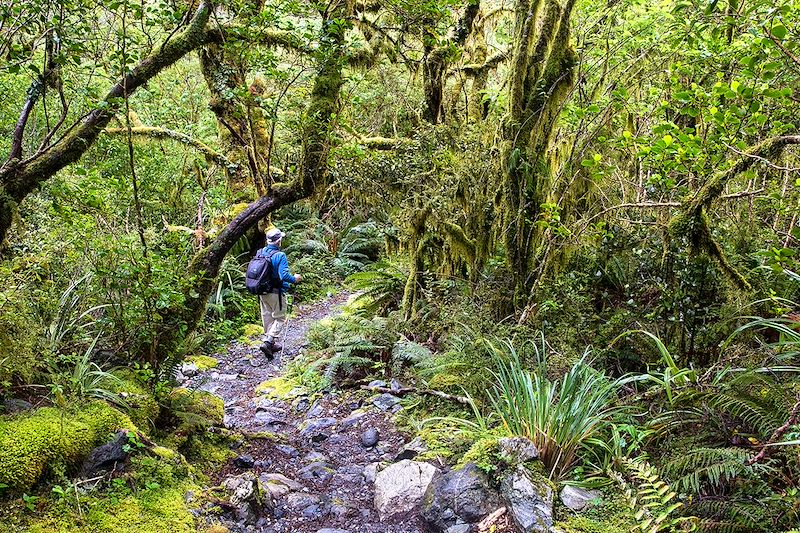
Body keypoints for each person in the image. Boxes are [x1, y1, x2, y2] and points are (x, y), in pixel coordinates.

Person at [258, 227, 301, 358]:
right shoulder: (280, 255)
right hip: (276, 292)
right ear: (278, 242)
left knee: (267, 316)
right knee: (280, 318)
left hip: (261, 291)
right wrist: (295, 279)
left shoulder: (261, 252)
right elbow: (283, 275)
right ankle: (268, 341)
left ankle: (271, 344)